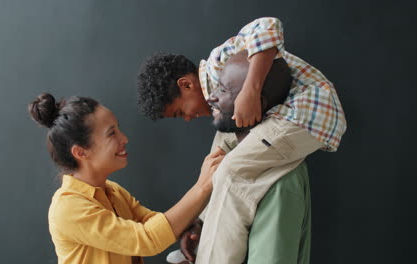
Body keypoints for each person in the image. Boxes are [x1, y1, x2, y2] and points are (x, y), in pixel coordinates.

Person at [137, 17, 347, 263]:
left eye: (180, 112)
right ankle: (201, 240)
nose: (187, 119)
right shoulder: (220, 105)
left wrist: (251, 90)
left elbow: (268, 25)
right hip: (283, 118)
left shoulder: (219, 61)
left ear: (186, 84)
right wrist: (201, 221)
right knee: (217, 155)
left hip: (304, 115)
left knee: (231, 171)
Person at [28, 93, 225, 264]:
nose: (124, 139)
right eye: (112, 133)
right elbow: (147, 239)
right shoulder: (68, 208)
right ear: (81, 152)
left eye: (118, 128)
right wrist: (202, 186)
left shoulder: (112, 191)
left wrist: (190, 228)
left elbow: (154, 222)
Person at [168, 50, 314, 264]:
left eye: (224, 90)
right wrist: (201, 225)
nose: (212, 96)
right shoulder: (232, 152)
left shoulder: (278, 183)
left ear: (255, 102)